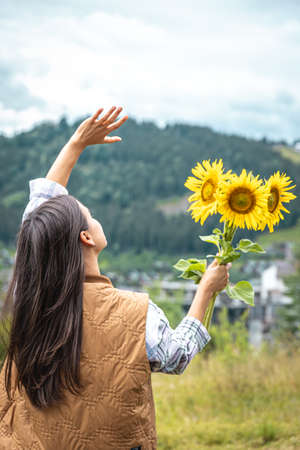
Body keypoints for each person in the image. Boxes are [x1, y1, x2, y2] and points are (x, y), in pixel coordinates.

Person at [0, 106, 230, 450]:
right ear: (86, 238)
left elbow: (39, 221)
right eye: (89, 214)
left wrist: (75, 144)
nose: (95, 217)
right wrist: (206, 291)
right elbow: (176, 356)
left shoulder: (30, 295)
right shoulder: (137, 313)